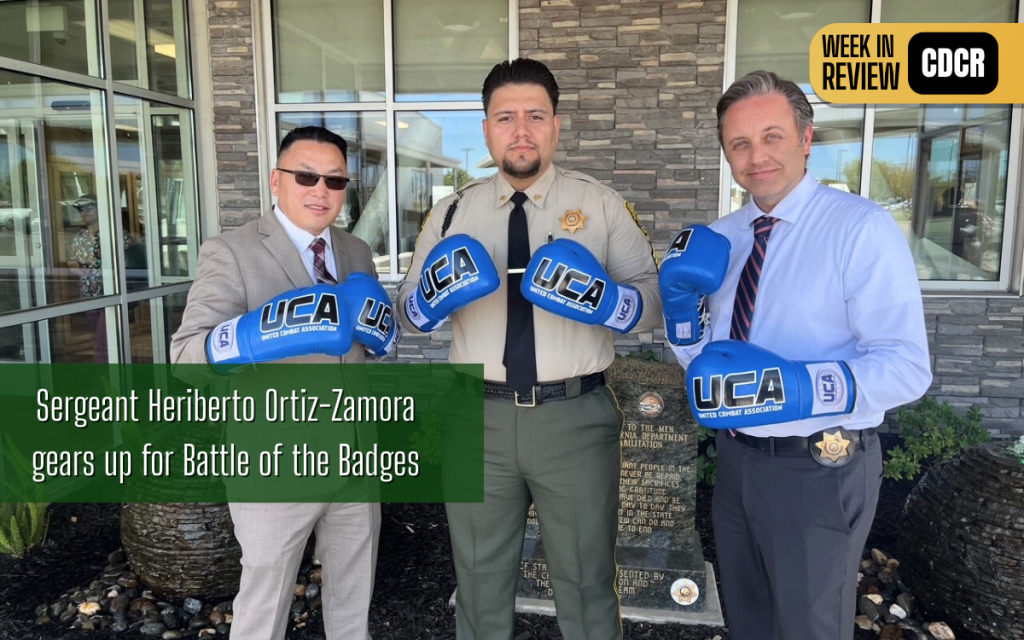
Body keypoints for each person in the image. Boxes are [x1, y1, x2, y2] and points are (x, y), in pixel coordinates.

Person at [660, 70, 932, 640]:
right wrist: (683, 320)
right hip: (735, 462)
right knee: (749, 620)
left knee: (809, 627)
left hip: (819, 468)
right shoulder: (723, 237)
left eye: (771, 136)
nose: (756, 156)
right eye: (739, 143)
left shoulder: (860, 228)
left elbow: (907, 365)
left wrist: (799, 387)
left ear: (806, 139)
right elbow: (705, 368)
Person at [397, 58, 661, 640]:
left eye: (535, 116)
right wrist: (430, 300)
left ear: (556, 125)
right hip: (475, 419)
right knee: (478, 580)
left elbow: (653, 305)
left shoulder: (600, 204)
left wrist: (604, 301)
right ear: (487, 129)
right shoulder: (449, 214)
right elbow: (407, 317)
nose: (521, 130)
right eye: (506, 117)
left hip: (574, 418)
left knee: (586, 582)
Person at [171, 126, 398, 640]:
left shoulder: (357, 252)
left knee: (352, 602)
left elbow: (370, 344)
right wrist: (252, 337)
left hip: (355, 456)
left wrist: (386, 338)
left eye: (335, 180)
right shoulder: (231, 251)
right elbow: (185, 357)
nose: (321, 189)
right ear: (277, 181)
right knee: (262, 609)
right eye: (306, 176)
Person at [68, 193, 138, 362]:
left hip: (113, 295)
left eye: (89, 207)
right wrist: (83, 272)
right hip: (89, 296)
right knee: (105, 340)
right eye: (81, 209)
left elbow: (132, 263)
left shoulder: (117, 234)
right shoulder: (79, 238)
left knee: (103, 343)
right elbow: (71, 264)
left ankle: (103, 384)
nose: (84, 212)